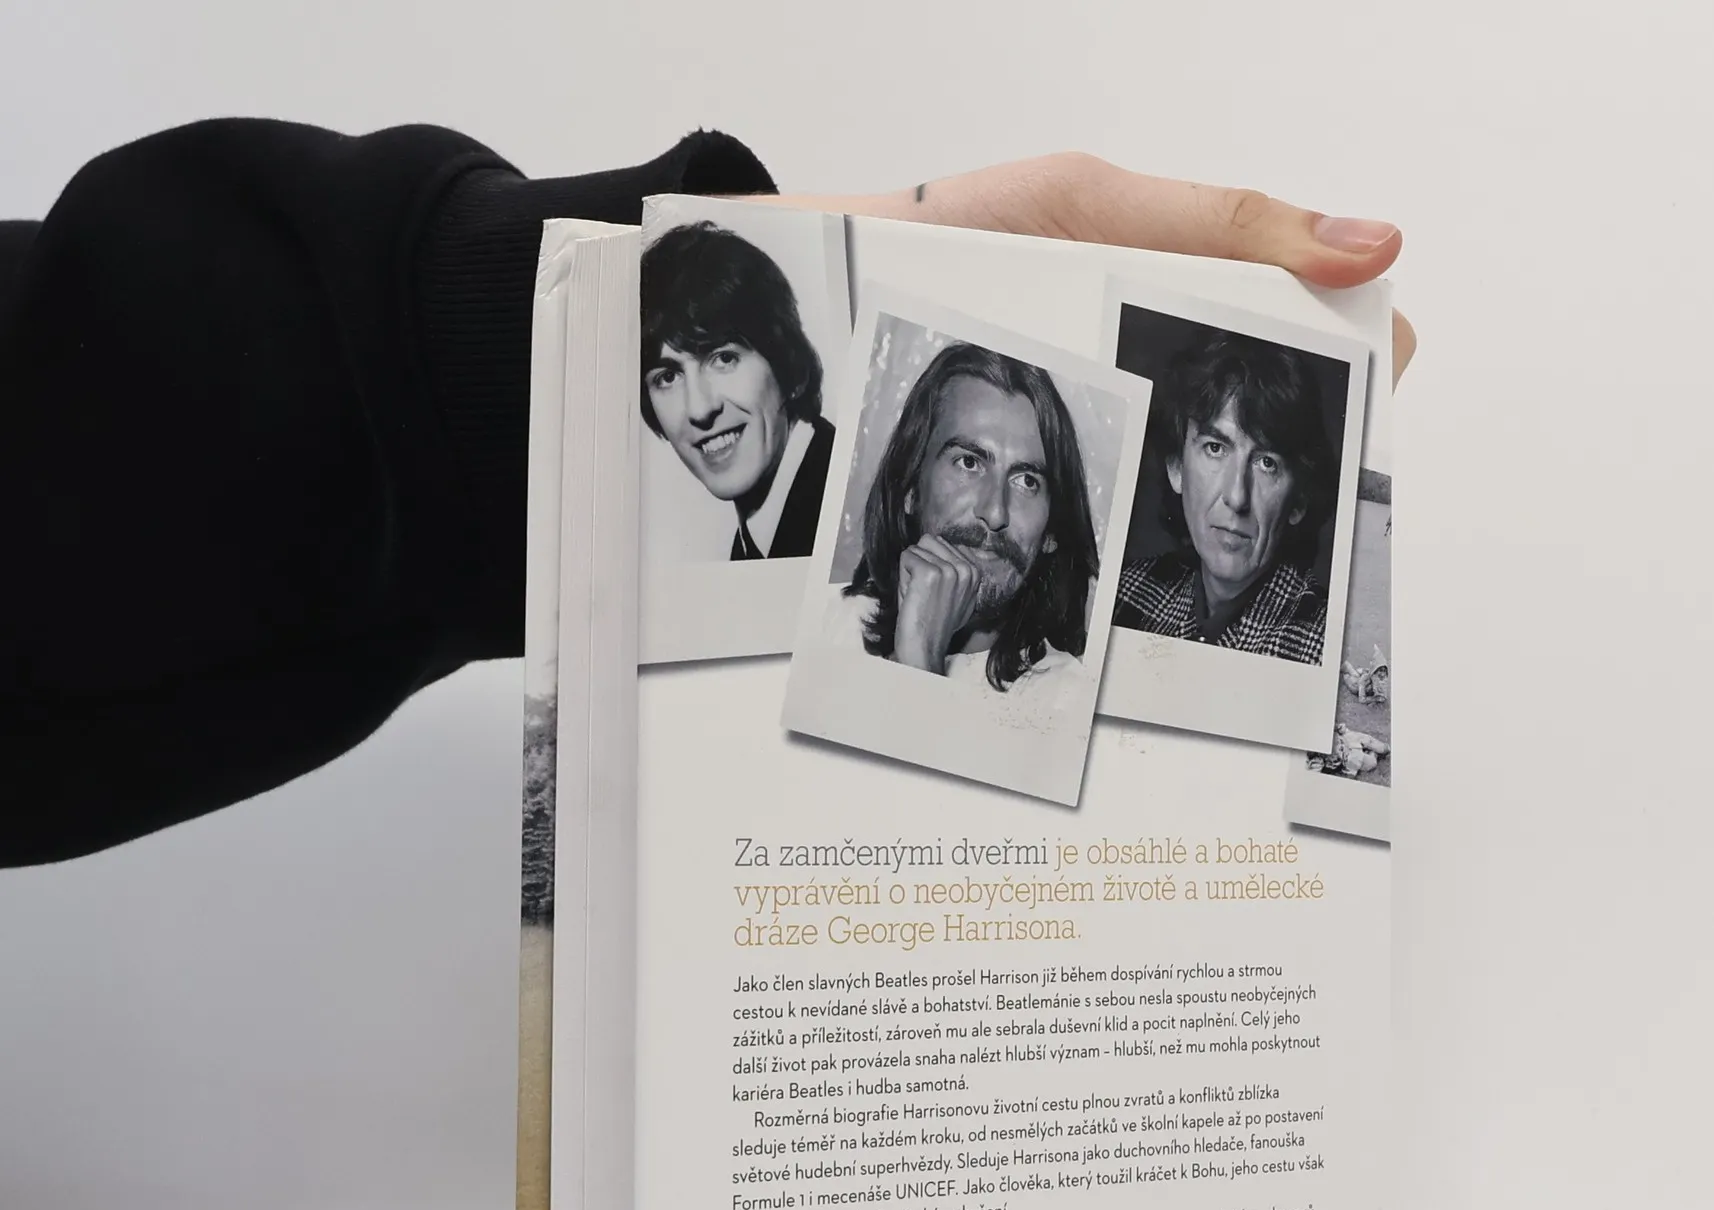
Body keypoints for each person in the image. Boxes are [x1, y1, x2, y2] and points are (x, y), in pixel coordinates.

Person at [0, 126, 1411, 867]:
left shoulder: (1135, 666)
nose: (697, 406)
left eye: (1029, 476)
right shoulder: (812, 595)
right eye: (661, 371)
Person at [831, 343, 1097, 697]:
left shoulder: (1066, 698)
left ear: (1052, 532)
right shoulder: (826, 626)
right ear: (910, 488)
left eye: (1026, 481)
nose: (995, 513)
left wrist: (920, 658)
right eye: (969, 463)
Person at [1116, 330, 1336, 661]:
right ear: (1176, 467)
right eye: (1215, 448)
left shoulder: (1321, 647)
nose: (1236, 497)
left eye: (1267, 463)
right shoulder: (1124, 593)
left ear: (1299, 500)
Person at [639, 220, 835, 562]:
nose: (699, 409)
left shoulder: (846, 513)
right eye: (668, 377)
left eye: (724, 359)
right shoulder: (758, 540)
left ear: (788, 365)